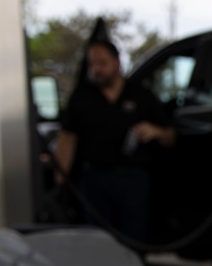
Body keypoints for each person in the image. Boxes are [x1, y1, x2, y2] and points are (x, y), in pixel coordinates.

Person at [54, 39, 175, 242]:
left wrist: (156, 132)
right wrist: (60, 183)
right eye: (93, 64)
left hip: (133, 179)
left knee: (134, 237)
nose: (97, 69)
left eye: (102, 63)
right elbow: (67, 139)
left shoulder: (141, 95)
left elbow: (170, 138)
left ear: (117, 62)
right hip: (94, 178)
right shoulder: (82, 96)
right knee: (97, 240)